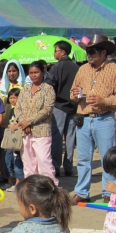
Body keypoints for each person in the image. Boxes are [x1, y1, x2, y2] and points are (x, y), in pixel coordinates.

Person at [70, 34, 116, 205]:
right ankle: (82, 192)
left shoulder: (115, 69)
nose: (89, 54)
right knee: (83, 159)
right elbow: (72, 92)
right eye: (88, 51)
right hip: (83, 118)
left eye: (93, 51)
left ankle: (108, 192)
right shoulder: (82, 69)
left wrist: (104, 101)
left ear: (104, 52)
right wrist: (75, 94)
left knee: (107, 158)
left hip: (104, 118)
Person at [16, 61, 58, 185]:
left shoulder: (48, 89)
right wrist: (23, 122)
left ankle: (50, 187)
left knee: (44, 160)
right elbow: (18, 108)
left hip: (42, 130)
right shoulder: (25, 89)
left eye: (36, 72)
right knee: (28, 162)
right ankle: (31, 188)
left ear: (43, 72)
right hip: (25, 132)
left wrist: (28, 122)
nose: (33, 75)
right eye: (31, 73)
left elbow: (47, 110)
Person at [45, 41, 79, 178]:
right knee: (70, 137)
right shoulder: (77, 67)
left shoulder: (56, 67)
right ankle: (68, 166)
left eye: (56, 50)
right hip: (74, 106)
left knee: (57, 137)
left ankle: (56, 167)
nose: (54, 53)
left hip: (59, 106)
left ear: (63, 52)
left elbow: (49, 85)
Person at [4, 88, 23, 192]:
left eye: (15, 97)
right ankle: (10, 182)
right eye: (10, 97)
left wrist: (14, 126)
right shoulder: (12, 110)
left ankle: (18, 183)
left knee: (17, 160)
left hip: (18, 139)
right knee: (8, 159)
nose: (12, 100)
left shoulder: (22, 110)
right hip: (11, 138)